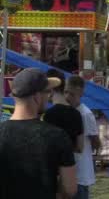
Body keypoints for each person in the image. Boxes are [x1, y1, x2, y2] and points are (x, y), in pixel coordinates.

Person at [0, 68, 77, 198]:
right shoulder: (57, 136)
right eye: (47, 92)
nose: (50, 96)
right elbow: (70, 189)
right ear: (36, 96)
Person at [64, 76, 100, 199]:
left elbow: (95, 140)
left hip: (81, 170)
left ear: (80, 93)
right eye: (66, 92)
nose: (68, 97)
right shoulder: (63, 111)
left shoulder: (85, 114)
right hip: (66, 169)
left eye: (72, 94)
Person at [43, 69, 84, 153]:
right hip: (70, 163)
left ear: (50, 89)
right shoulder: (77, 114)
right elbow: (80, 147)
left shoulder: (48, 114)